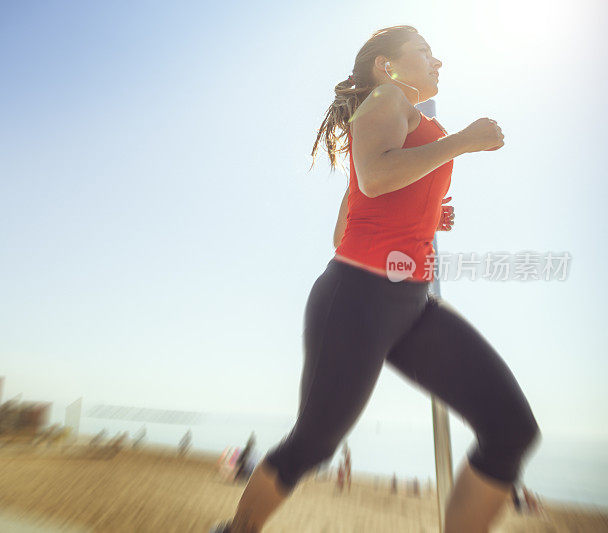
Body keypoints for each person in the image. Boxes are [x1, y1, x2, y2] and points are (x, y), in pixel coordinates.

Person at [211, 25, 540, 533]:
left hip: (411, 304)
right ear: (387, 66)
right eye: (425, 52)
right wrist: (464, 141)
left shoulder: (397, 113)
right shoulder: (387, 97)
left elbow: (353, 214)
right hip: (357, 299)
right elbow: (377, 177)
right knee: (314, 444)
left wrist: (426, 215)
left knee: (510, 429)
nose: (438, 61)